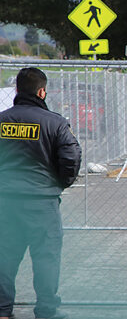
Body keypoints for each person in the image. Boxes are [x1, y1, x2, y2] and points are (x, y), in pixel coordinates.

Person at [0, 68, 82, 319]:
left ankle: (3, 311)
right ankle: (46, 310)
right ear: (42, 91)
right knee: (46, 258)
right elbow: (72, 158)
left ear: (17, 91)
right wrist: (58, 183)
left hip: (6, 202)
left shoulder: (2, 121)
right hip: (42, 204)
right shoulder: (55, 122)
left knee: (4, 258)